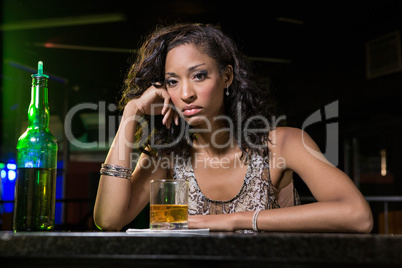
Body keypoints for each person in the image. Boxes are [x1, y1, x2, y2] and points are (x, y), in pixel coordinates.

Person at [93, 23, 373, 233]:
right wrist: (131, 113)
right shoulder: (166, 154)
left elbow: (358, 216)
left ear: (226, 76)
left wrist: (233, 220)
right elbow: (108, 220)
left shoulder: (281, 144)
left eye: (199, 75)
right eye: (172, 81)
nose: (186, 93)